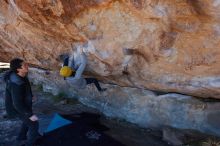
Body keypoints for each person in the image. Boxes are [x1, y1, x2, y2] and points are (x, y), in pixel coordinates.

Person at [4, 58, 41, 146]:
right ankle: (30, 143)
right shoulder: (16, 83)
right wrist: (30, 114)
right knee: (34, 124)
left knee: (27, 121)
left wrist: (30, 96)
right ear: (18, 69)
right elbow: (17, 104)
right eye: (25, 65)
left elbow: (26, 87)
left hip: (23, 105)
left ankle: (21, 137)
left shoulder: (22, 75)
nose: (27, 66)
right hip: (17, 108)